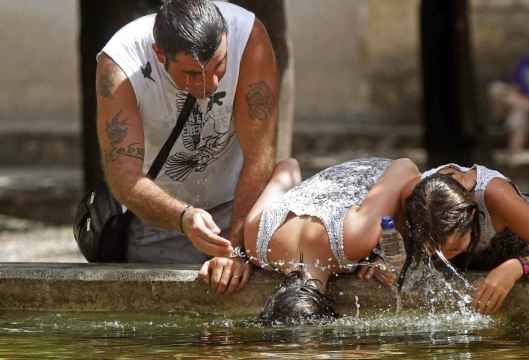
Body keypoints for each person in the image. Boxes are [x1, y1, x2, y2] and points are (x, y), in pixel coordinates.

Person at [95, 0, 278, 281]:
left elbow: (260, 154)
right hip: (159, 216)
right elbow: (123, 176)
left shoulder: (248, 37)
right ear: (159, 54)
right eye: (193, 74)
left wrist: (238, 247)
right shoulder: (119, 62)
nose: (211, 85)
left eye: (219, 66)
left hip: (240, 203)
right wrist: (183, 218)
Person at [199, 157, 420, 324]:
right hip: (346, 182)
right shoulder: (257, 244)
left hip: (382, 173)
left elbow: (405, 166)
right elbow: (288, 166)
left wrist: (385, 256)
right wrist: (238, 255)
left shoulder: (352, 242)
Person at [410, 163, 529, 315]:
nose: (445, 258)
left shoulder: (495, 195)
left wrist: (516, 267)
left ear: (471, 216)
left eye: (454, 248)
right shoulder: (417, 202)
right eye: (436, 251)